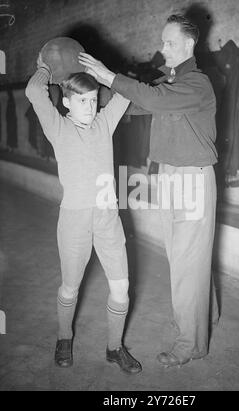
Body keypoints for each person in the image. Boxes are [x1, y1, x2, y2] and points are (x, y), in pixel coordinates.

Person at [79, 14, 219, 368]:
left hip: (193, 179)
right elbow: (138, 101)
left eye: (169, 43)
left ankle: (191, 344)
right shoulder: (168, 82)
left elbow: (153, 100)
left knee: (187, 261)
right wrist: (89, 87)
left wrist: (108, 74)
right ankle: (206, 317)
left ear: (189, 45)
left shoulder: (197, 84)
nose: (163, 48)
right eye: (163, 41)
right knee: (184, 256)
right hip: (171, 175)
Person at [25, 54, 142, 374]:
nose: (90, 107)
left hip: (108, 219)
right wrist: (45, 66)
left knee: (121, 287)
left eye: (93, 100)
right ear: (66, 103)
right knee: (70, 288)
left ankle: (115, 348)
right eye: (82, 101)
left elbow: (127, 92)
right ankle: (64, 338)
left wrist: (105, 75)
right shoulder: (59, 128)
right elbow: (35, 92)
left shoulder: (104, 123)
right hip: (74, 221)